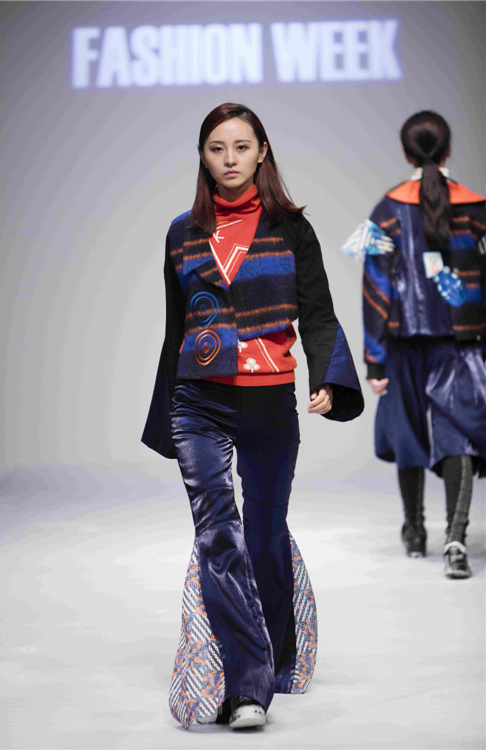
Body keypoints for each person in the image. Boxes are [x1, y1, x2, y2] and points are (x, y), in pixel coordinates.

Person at [142, 102, 364, 730]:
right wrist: (166, 406)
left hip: (269, 399)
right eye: (217, 148)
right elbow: (176, 327)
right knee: (218, 535)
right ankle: (245, 687)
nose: (230, 159)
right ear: (203, 156)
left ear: (262, 152)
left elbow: (317, 312)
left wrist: (328, 378)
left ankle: (279, 647)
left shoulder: (292, 229)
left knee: (264, 535)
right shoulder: (181, 233)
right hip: (199, 400)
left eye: (242, 147)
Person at [341, 110, 486, 580]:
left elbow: (375, 289)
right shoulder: (478, 208)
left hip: (403, 342)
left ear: (406, 154)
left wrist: (374, 361)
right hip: (462, 344)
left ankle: (415, 530)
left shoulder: (386, 209)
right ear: (448, 150)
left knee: (406, 430)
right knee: (458, 433)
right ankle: (455, 540)